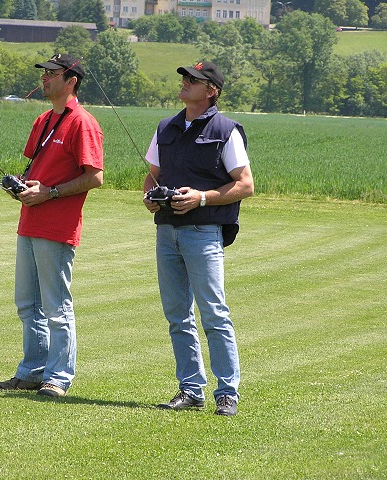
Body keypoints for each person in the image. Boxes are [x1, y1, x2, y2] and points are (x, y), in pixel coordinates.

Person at [142, 61, 254, 416]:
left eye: (195, 80)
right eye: (185, 78)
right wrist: (149, 195)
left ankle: (227, 392)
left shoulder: (226, 130)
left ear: (211, 91)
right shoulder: (166, 127)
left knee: (214, 313)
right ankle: (191, 389)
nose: (186, 83)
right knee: (177, 315)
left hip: (204, 231)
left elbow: (245, 185)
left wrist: (202, 197)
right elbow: (152, 175)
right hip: (167, 231)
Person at [0, 53, 104, 397]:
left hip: (57, 227)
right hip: (29, 222)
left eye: (52, 74)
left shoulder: (84, 123)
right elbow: (35, 171)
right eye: (44, 73)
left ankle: (59, 377)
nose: (45, 78)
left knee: (56, 306)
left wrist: (51, 193)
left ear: (71, 81)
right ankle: (31, 371)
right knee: (27, 304)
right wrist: (22, 187)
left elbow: (95, 177)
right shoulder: (42, 120)